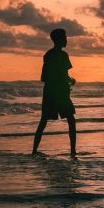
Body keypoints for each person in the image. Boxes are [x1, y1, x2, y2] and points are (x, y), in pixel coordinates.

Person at [32, 27, 77, 156]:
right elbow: (64, 75)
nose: (66, 40)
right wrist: (71, 80)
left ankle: (34, 150)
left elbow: (44, 77)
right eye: (65, 38)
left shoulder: (48, 55)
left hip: (49, 92)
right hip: (61, 93)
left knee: (43, 121)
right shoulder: (63, 55)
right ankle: (73, 151)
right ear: (60, 39)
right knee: (71, 121)